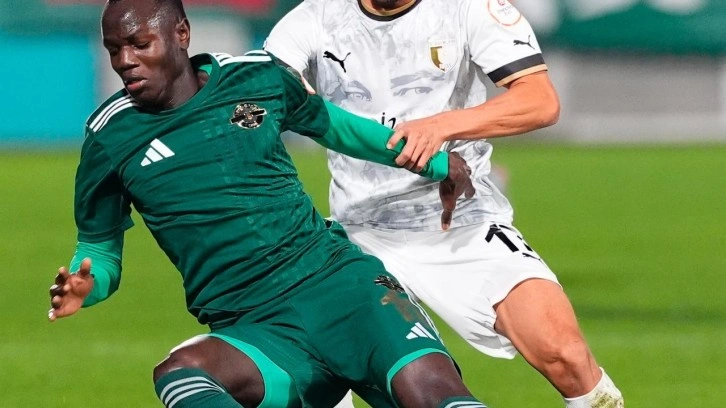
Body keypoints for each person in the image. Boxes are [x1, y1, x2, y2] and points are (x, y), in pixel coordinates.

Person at [47, 1, 486, 407]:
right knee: (180, 375)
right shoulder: (110, 136)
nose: (125, 60)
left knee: (436, 395)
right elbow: (99, 251)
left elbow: (340, 128)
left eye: (140, 44)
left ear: (181, 33)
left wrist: (435, 162)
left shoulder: (256, 77)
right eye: (114, 49)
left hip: (347, 289)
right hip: (257, 332)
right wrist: (87, 286)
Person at [264, 0, 624, 407]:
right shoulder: (313, 18)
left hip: (463, 222)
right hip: (359, 234)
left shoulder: (468, 8)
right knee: (316, 374)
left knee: (565, 353)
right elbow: (273, 104)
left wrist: (440, 126)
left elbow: (540, 100)